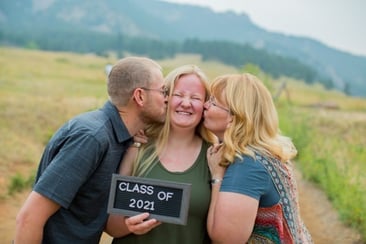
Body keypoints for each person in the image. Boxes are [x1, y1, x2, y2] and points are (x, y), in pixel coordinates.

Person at [14, 56, 168, 244]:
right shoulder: (92, 138)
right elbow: (29, 218)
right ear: (140, 96)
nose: (167, 99)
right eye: (162, 91)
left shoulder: (120, 137)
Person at [105, 65, 217, 243]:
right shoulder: (138, 145)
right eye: (178, 95)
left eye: (195, 98)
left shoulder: (215, 156)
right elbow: (111, 226)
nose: (186, 103)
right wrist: (128, 225)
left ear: (205, 105)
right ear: (165, 98)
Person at [203, 73, 313, 243]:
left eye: (213, 102)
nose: (205, 105)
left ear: (235, 117)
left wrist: (217, 177)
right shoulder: (264, 152)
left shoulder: (247, 165)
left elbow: (225, 238)